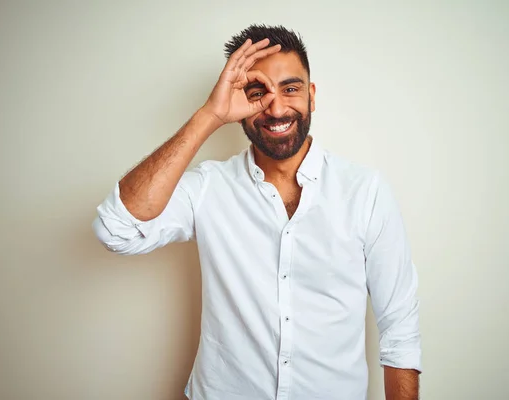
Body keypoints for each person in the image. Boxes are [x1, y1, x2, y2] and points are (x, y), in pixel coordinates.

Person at [93, 24, 422, 400]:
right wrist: (210, 115)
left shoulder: (366, 192)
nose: (277, 107)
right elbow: (114, 230)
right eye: (258, 92)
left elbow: (399, 326)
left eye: (291, 88)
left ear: (311, 96)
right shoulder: (208, 187)